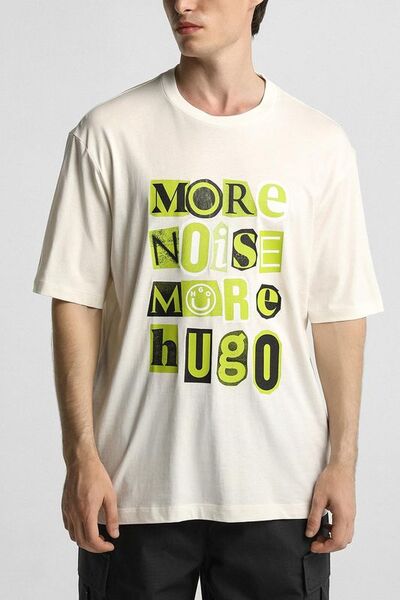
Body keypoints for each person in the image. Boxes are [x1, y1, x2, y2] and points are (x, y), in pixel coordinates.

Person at [32, 1, 384, 598]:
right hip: (134, 489)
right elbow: (76, 302)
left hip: (281, 491)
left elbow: (338, 316)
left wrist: (343, 462)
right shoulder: (109, 134)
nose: (181, 4)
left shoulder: (318, 143)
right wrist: (81, 457)